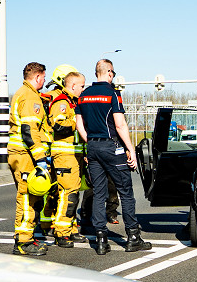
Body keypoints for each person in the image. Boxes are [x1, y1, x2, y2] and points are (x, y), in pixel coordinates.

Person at [75, 59, 153, 255]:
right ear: (109, 73)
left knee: (99, 194)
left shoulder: (83, 96)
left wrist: (90, 142)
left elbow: (79, 125)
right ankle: (133, 237)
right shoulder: (113, 94)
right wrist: (131, 150)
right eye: (113, 74)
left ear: (96, 74)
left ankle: (101, 240)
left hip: (92, 148)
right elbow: (120, 125)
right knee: (125, 192)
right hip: (112, 148)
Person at [7, 62, 52, 257]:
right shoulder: (30, 96)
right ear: (37, 77)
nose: (43, 81)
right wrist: (41, 158)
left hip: (22, 153)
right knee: (27, 197)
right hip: (25, 154)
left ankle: (26, 236)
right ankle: (23, 242)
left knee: (30, 197)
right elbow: (29, 131)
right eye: (43, 77)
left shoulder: (23, 93)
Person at [43, 65, 88, 248]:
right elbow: (59, 126)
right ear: (73, 85)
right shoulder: (62, 102)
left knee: (74, 193)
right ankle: (62, 233)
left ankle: (71, 228)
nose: (84, 89)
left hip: (74, 154)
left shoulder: (72, 102)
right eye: (82, 86)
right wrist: (77, 121)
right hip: (64, 154)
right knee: (67, 194)